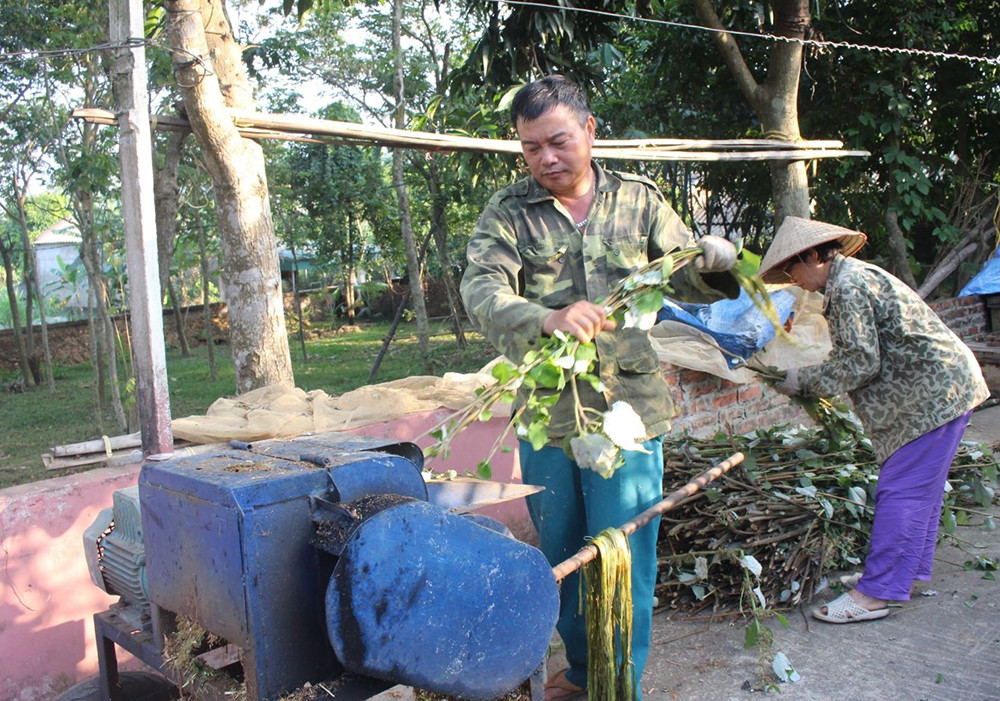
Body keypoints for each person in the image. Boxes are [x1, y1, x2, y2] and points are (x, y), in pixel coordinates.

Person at [459, 75, 740, 700]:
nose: (546, 160)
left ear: (589, 130)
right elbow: (481, 292)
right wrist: (546, 318)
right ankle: (584, 670)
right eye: (530, 148)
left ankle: (620, 683)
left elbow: (685, 282)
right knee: (561, 551)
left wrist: (717, 267)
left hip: (627, 412)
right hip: (548, 412)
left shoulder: (640, 202)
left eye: (557, 142)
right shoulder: (508, 213)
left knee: (622, 556)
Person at [759, 216, 990, 624]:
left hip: (930, 399)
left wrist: (803, 382)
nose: (793, 279)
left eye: (792, 268)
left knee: (901, 491)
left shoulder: (847, 286)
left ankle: (875, 594)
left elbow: (861, 362)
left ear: (813, 255)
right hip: (943, 390)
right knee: (920, 493)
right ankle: (899, 577)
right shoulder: (852, 277)